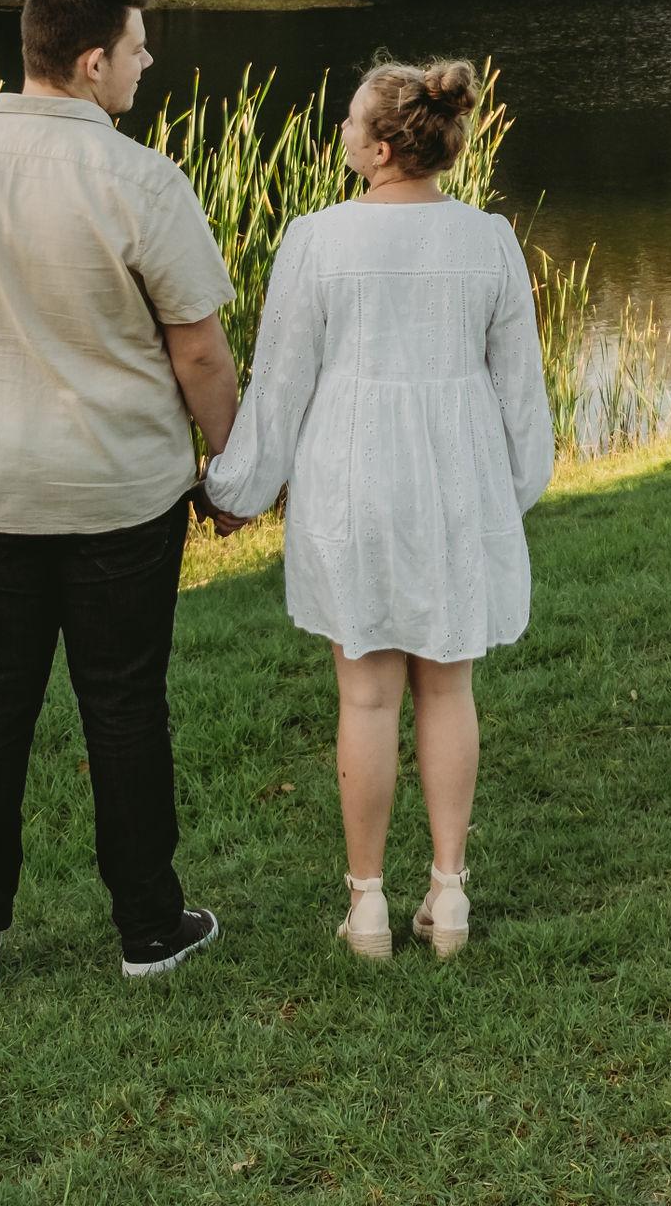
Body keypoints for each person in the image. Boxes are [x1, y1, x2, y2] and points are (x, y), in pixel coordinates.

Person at [0, 0, 243, 992]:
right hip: (120, 494)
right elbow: (199, 352)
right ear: (91, 61)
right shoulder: (140, 179)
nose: (147, 60)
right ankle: (150, 931)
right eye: (137, 46)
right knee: (123, 705)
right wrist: (231, 465)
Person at [200, 58, 555, 959]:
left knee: (364, 694)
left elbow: (280, 390)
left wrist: (231, 489)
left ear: (384, 147)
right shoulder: (491, 240)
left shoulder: (316, 239)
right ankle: (450, 893)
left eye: (353, 123)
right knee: (449, 685)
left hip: (352, 483)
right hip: (456, 480)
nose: (344, 133)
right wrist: (509, 493)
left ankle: (367, 906)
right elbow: (522, 397)